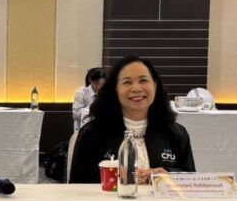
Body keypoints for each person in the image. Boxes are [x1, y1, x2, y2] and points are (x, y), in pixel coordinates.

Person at [69, 55, 195, 184]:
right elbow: (77, 186)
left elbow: (191, 181)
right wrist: (116, 179)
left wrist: (168, 175)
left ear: (155, 86)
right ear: (115, 89)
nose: (136, 89)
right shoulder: (91, 133)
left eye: (143, 80)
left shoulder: (176, 133)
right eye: (127, 82)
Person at [72, 67, 105, 131]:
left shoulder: (105, 92)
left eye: (102, 84)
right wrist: (92, 109)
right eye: (97, 83)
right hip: (84, 130)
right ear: (90, 80)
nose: (100, 86)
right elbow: (75, 115)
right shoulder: (81, 92)